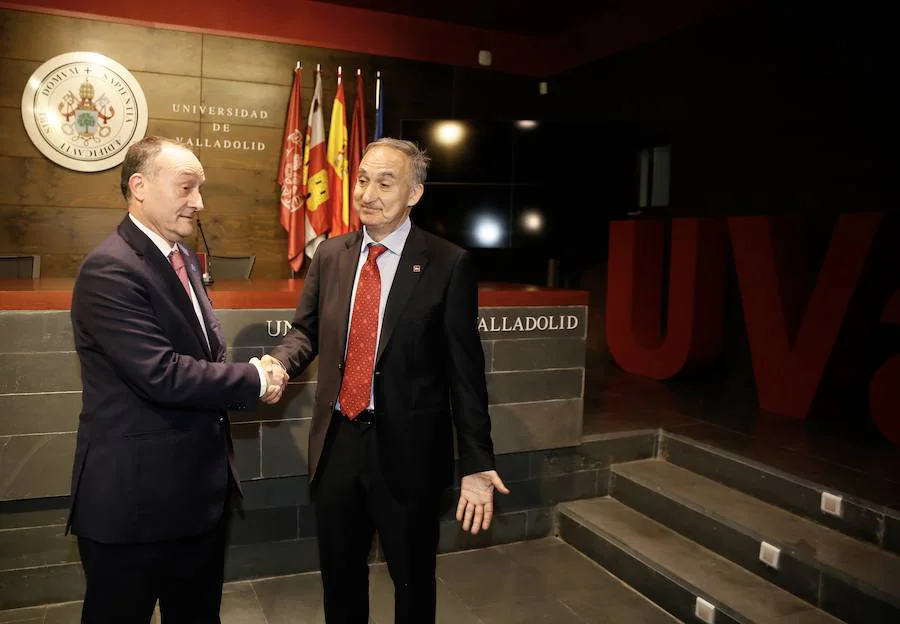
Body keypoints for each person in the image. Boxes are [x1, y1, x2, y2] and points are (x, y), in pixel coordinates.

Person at [262, 137, 508, 623]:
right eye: (361, 180)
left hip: (408, 453)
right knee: (340, 577)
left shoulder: (447, 263)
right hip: (336, 444)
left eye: (385, 182)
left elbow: (466, 372)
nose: (366, 193)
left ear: (414, 193)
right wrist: (280, 363)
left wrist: (476, 463)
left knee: (412, 581)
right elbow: (305, 331)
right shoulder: (331, 254)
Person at [67, 136, 286, 623]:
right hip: (135, 506)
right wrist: (253, 377)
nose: (199, 202)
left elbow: (205, 352)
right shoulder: (110, 269)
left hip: (196, 499)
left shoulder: (182, 257)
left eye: (200, 188)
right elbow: (161, 374)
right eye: (186, 187)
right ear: (139, 187)